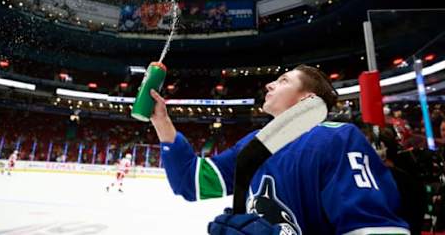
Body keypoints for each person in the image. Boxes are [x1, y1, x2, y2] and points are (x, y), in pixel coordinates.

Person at [150, 65, 410, 235]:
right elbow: (191, 181)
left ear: (307, 99)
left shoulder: (337, 138)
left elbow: (377, 231)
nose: (269, 85)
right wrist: (161, 120)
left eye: (282, 80)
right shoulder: (255, 144)